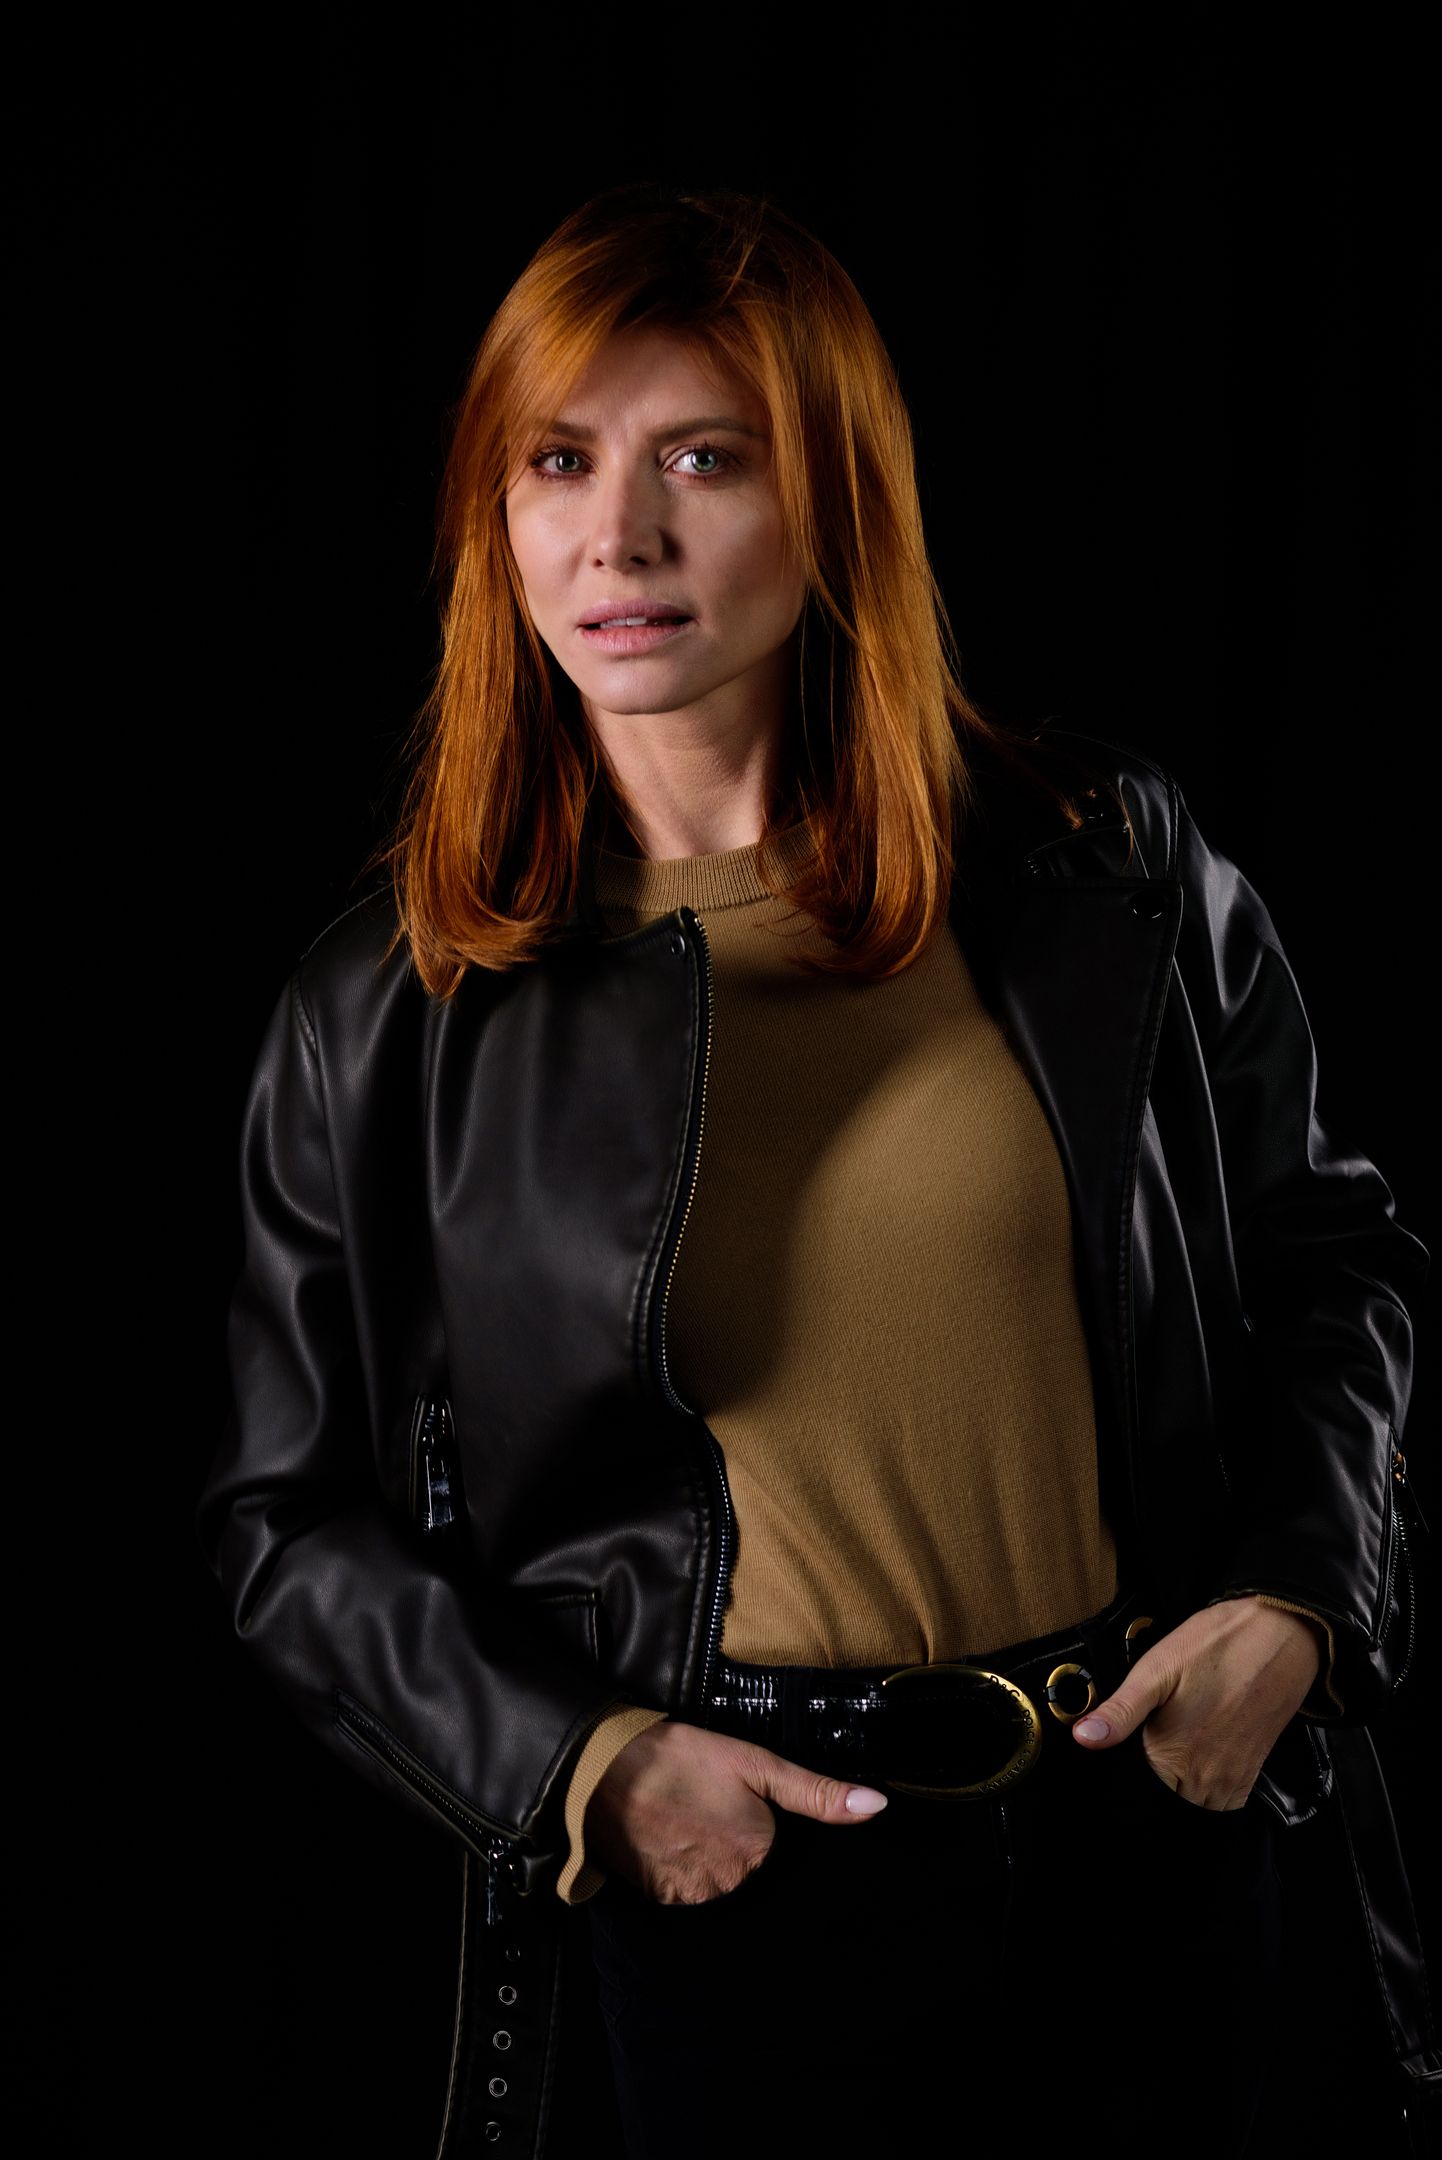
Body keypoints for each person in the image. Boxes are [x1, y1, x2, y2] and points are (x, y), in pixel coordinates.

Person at [200, 183, 1430, 2157]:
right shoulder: (397, 1009)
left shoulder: (1102, 869)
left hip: (1156, 1825)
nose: (619, 536)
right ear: (492, 516)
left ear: (836, 502)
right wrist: (587, 1768)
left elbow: (1328, 1261)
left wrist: (1301, 1601)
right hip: (737, 1879)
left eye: (705, 459)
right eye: (556, 462)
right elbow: (287, 1521)